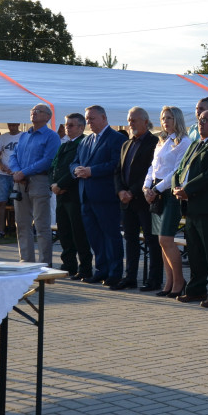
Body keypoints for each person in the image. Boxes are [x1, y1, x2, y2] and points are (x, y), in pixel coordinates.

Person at [172, 109, 208, 308]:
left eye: (206, 120)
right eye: (200, 120)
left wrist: (187, 189)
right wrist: (176, 186)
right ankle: (196, 289)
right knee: (195, 251)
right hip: (190, 206)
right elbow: (180, 169)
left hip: (207, 205)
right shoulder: (196, 144)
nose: (201, 123)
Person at [72, 105, 125, 286]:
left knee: (111, 236)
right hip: (86, 195)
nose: (88, 122)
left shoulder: (116, 138)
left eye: (92, 119)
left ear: (103, 118)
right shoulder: (86, 141)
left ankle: (115, 272)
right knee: (94, 236)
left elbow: (116, 164)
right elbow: (74, 162)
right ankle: (101, 270)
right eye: (87, 119)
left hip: (105, 196)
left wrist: (92, 171)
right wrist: (76, 170)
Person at [143, 106, 192, 297]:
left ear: (177, 119)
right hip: (155, 191)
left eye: (169, 118)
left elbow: (177, 172)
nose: (165, 121)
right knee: (161, 242)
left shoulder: (183, 141)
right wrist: (146, 187)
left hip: (170, 193)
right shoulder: (161, 140)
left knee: (166, 239)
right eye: (163, 118)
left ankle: (180, 282)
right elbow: (152, 167)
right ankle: (169, 282)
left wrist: (156, 189)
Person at [115, 107, 161, 290]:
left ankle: (154, 279)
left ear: (145, 121)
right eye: (129, 120)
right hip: (126, 201)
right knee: (130, 239)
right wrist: (120, 192)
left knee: (152, 240)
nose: (130, 124)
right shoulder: (126, 144)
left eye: (133, 120)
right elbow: (118, 171)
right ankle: (130, 276)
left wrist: (132, 192)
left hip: (144, 200)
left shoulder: (154, 142)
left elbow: (148, 172)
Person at [11, 104, 61, 266]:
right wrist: (17, 172)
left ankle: (44, 264)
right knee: (22, 223)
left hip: (39, 181)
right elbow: (13, 156)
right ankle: (26, 261)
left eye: (38, 111)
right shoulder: (25, 136)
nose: (33, 114)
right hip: (20, 183)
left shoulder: (51, 136)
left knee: (41, 225)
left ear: (47, 117)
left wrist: (23, 172)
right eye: (32, 111)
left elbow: (48, 160)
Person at [0, 123, 22, 238]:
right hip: (3, 174)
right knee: (0, 202)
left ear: (18, 124)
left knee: (20, 202)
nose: (11, 127)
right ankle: (1, 230)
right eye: (9, 125)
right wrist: (1, 165)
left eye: (13, 125)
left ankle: (19, 229)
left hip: (18, 174)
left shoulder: (24, 136)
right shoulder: (3, 137)